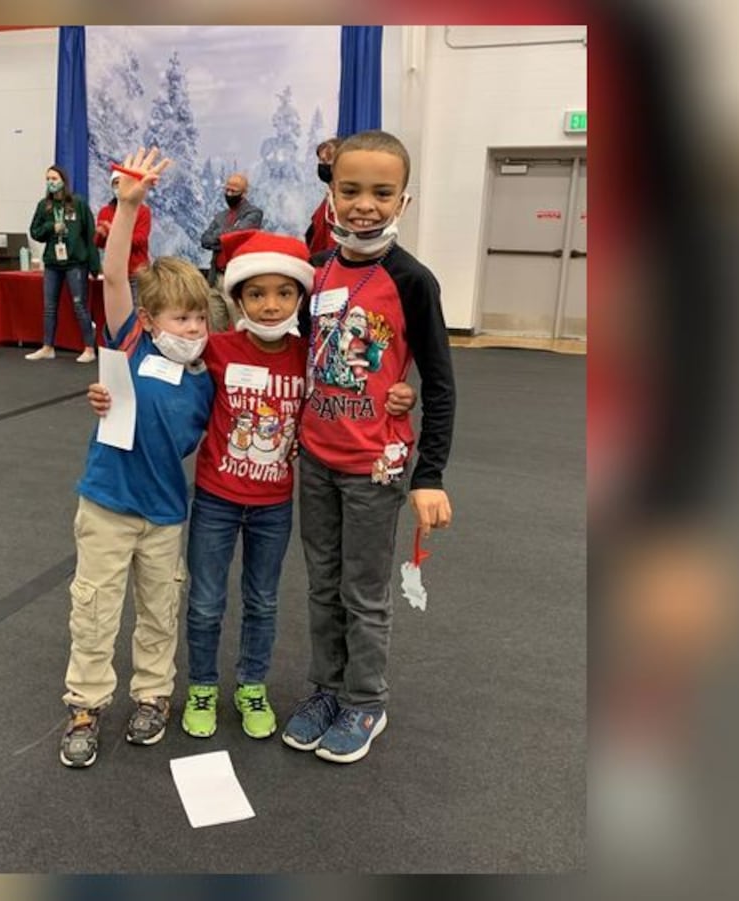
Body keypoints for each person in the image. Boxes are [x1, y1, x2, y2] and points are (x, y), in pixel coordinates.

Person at [89, 231, 417, 742]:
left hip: (272, 506)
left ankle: (251, 686)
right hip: (216, 502)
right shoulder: (215, 350)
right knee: (204, 601)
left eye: (284, 294)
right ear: (238, 299)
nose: (270, 305)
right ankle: (201, 685)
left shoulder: (310, 356)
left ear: (300, 299)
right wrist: (111, 392)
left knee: (263, 600)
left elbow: (355, 383)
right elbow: (148, 363)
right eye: (257, 294)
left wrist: (397, 393)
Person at [282, 129, 457, 764]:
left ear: (403, 201)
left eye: (381, 193)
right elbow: (300, 355)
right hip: (318, 460)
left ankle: (365, 700)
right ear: (330, 193)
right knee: (321, 583)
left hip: (374, 468)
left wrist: (428, 473)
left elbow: (438, 383)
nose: (365, 204)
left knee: (364, 589)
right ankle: (326, 688)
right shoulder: (318, 271)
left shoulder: (412, 280)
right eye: (350, 189)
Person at [57, 148, 213, 768]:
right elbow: (116, 276)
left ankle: (153, 694)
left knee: (159, 608)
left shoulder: (208, 371)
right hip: (107, 504)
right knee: (94, 607)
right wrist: (127, 206)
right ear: (150, 321)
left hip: (165, 513)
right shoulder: (130, 342)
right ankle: (86, 703)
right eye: (181, 318)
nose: (193, 328)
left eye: (200, 318)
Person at [27, 164, 98, 363]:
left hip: (75, 262)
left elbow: (90, 235)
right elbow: (35, 232)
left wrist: (94, 266)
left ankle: (89, 348)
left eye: (54, 178)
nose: (51, 182)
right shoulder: (44, 206)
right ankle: (48, 346)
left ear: (63, 181)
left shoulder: (78, 203)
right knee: (49, 306)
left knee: (79, 305)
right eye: (48, 179)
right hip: (52, 263)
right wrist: (51, 227)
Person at [199, 172, 263, 333]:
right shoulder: (220, 216)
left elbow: (237, 236)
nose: (229, 194)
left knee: (239, 326)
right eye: (227, 190)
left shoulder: (254, 213)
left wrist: (223, 236)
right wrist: (224, 237)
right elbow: (205, 240)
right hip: (216, 277)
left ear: (244, 193)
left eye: (234, 191)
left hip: (236, 277)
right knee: (215, 326)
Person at [95, 169, 151, 299]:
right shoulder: (105, 212)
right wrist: (100, 235)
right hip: (114, 272)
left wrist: (113, 232)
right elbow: (100, 244)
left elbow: (140, 240)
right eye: (115, 183)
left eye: (122, 182)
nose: (118, 187)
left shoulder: (143, 211)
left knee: (137, 310)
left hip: (136, 271)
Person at [304, 138, 340, 257]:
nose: (322, 165)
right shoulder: (328, 199)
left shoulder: (343, 202)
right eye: (321, 160)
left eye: (327, 160)